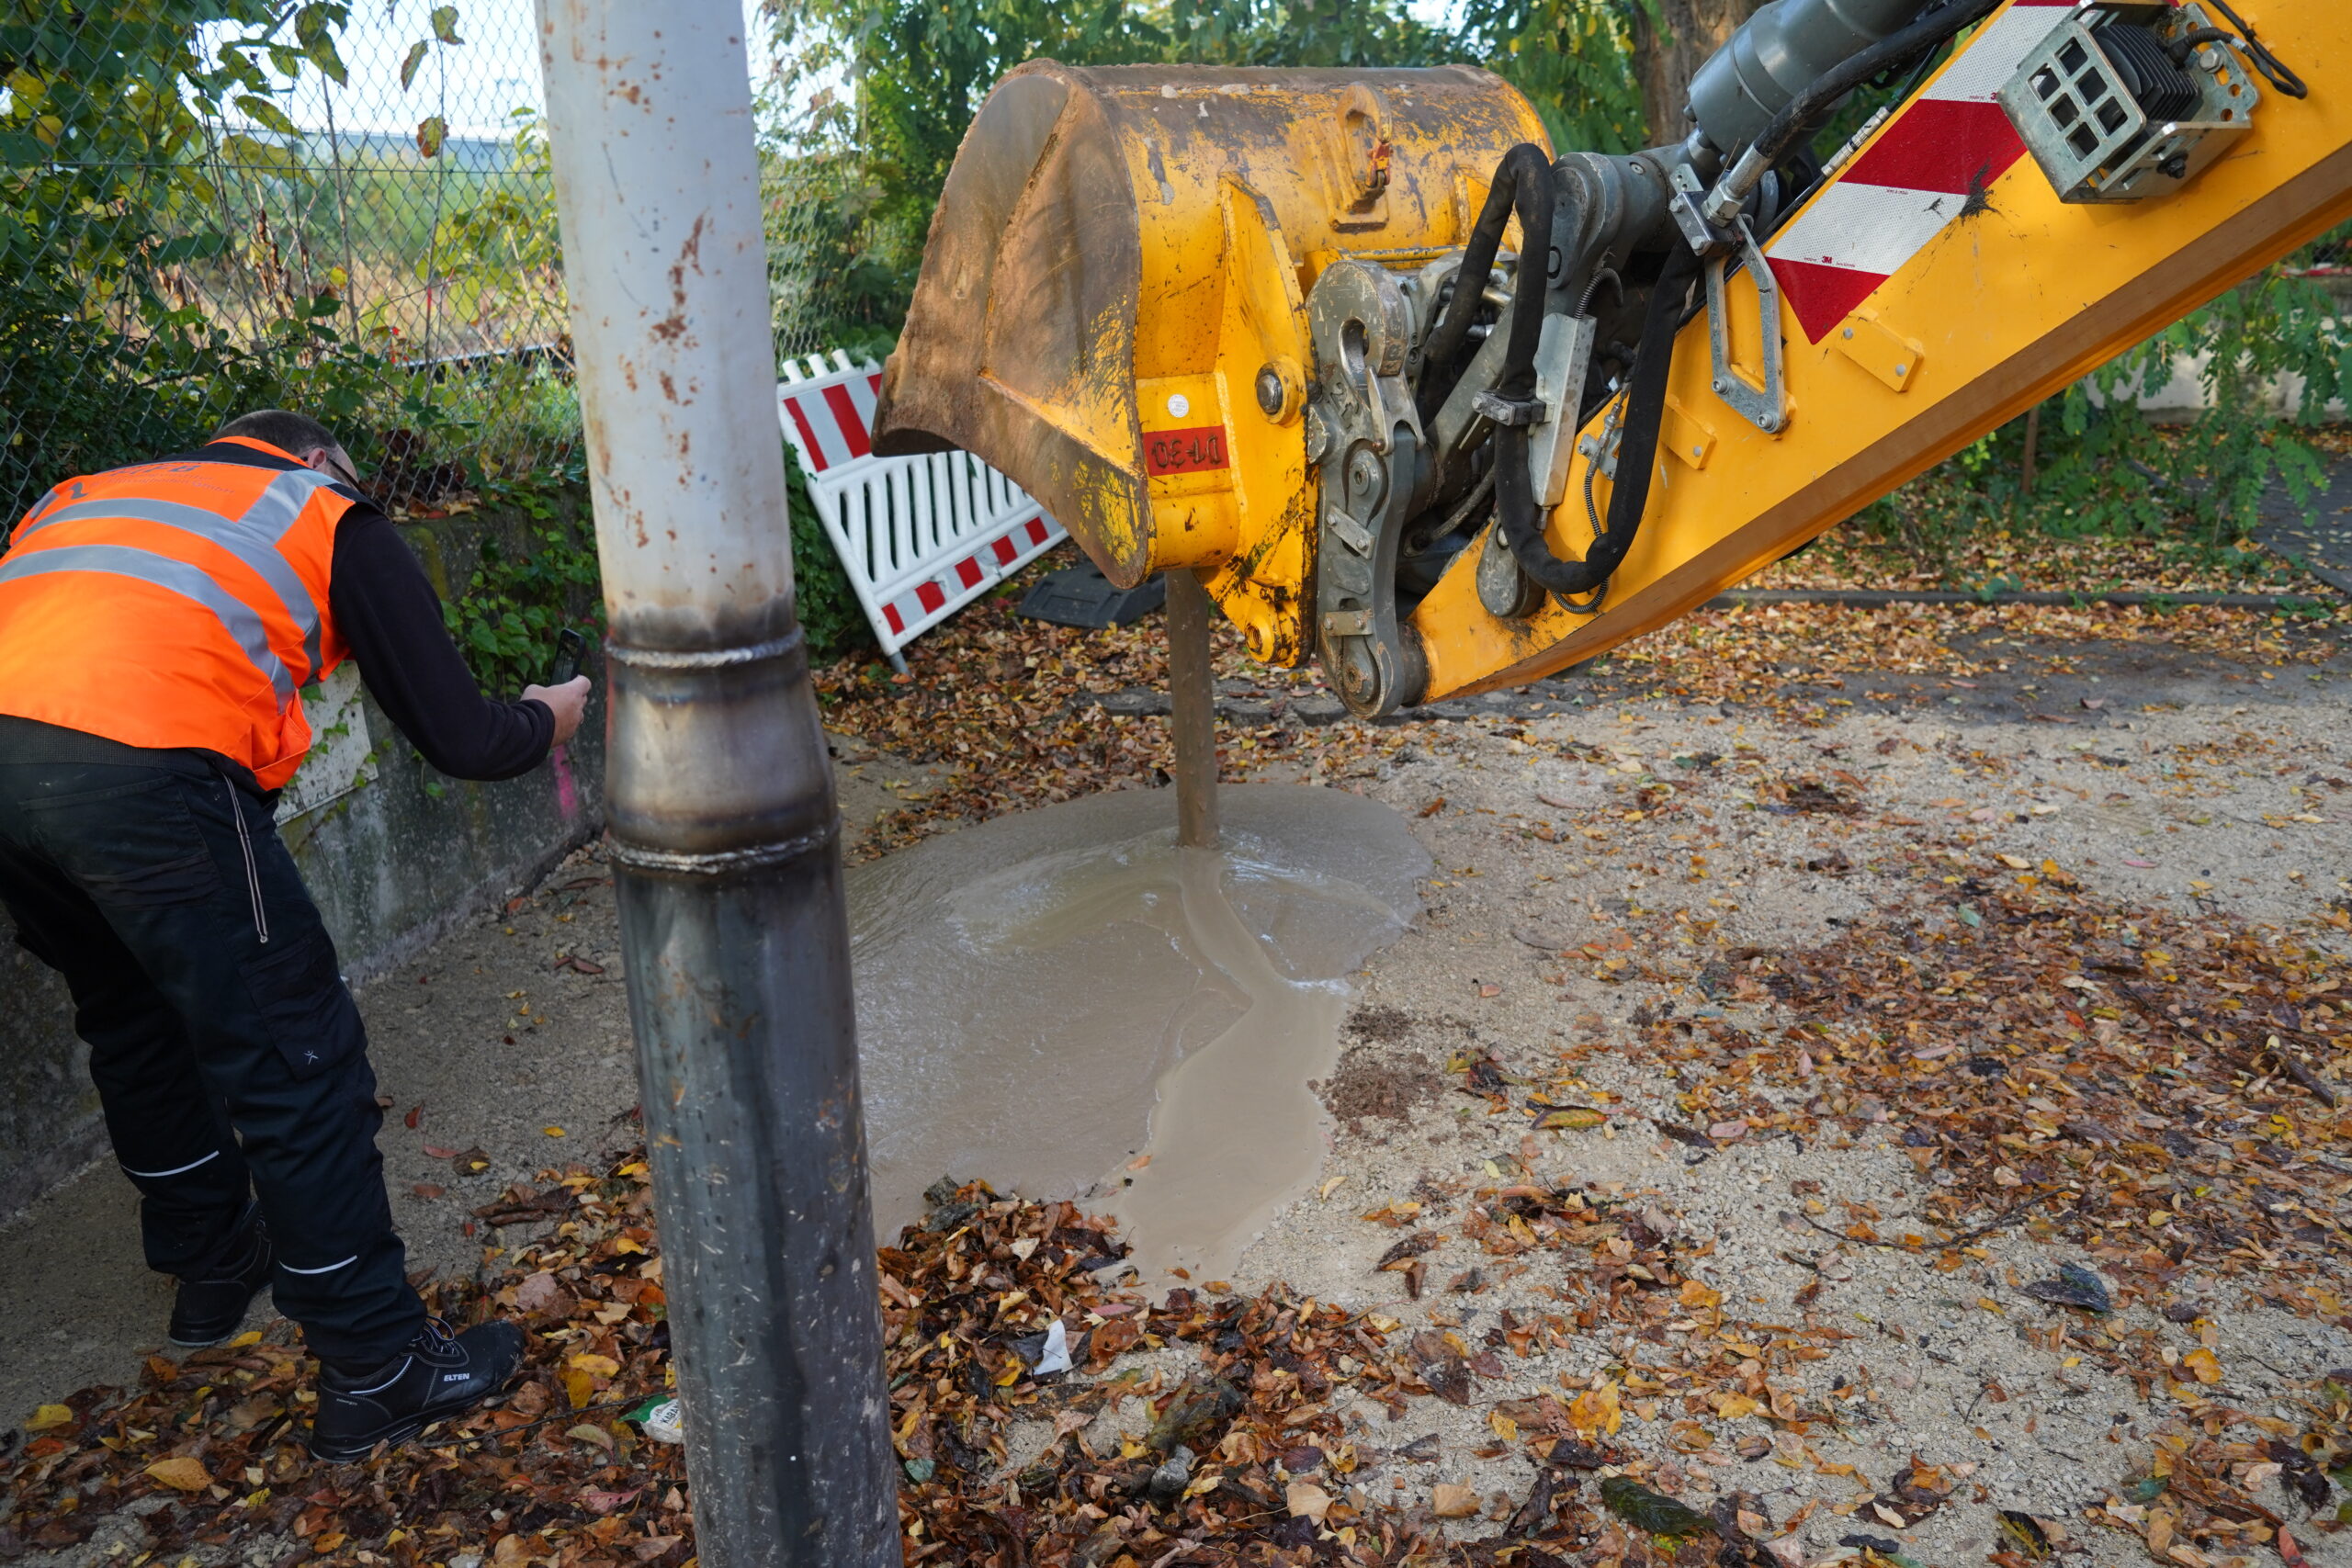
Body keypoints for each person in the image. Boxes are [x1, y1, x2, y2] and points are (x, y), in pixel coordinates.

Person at [0, 411, 592, 1461]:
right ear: (318, 461)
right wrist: (547, 716)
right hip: (147, 769)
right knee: (294, 1056)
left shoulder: (88, 491)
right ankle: (378, 1364)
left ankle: (211, 1261)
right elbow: (460, 736)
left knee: (127, 1012)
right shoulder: (325, 515)